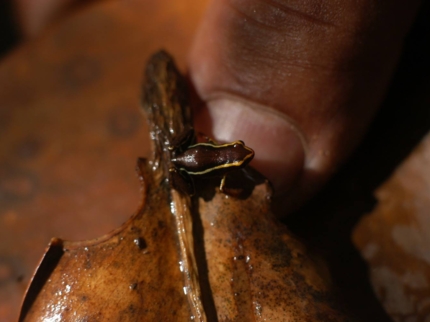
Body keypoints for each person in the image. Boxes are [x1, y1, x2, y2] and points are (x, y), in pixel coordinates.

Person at [16, 0, 422, 213]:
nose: (244, 154)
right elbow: (217, 162)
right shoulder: (225, 161)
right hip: (190, 160)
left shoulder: (229, 158)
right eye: (241, 151)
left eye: (241, 154)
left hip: (200, 154)